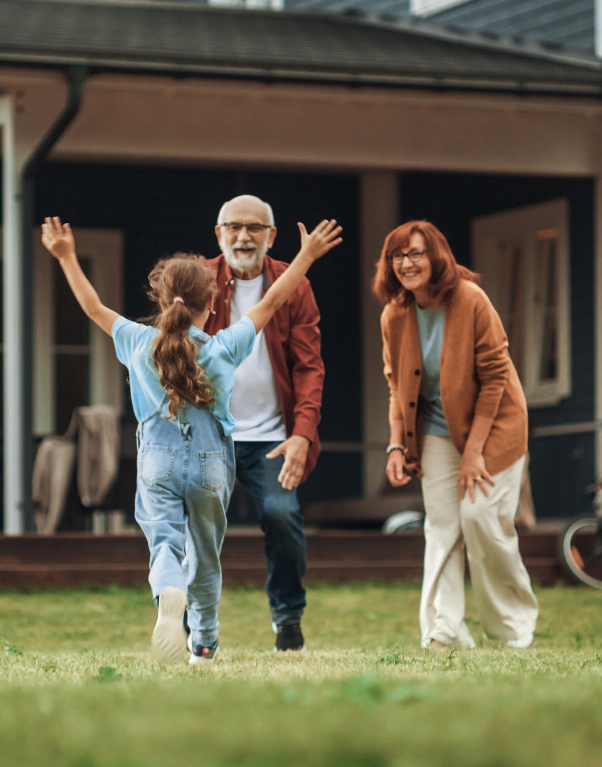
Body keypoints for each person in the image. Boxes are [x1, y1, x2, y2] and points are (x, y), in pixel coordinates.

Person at [41, 215, 342, 664]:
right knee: (205, 554)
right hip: (210, 464)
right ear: (214, 300)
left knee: (165, 541)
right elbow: (275, 299)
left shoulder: (137, 341)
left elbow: (92, 306)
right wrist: (307, 256)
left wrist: (66, 256)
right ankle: (203, 644)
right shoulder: (223, 347)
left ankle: (167, 590)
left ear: (161, 299)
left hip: (157, 461)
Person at [374, 220, 538, 650]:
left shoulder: (470, 299)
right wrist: (396, 443)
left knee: (482, 518)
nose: (407, 263)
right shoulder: (394, 314)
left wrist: (475, 453)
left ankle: (511, 626)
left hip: (497, 425)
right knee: (443, 525)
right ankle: (445, 628)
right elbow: (397, 384)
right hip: (436, 431)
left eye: (416, 253)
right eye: (398, 256)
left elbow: (496, 376)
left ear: (437, 256)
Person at [205, 194, 326, 652]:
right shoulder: (201, 279)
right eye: (233, 226)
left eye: (254, 227)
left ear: (272, 236)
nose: (243, 235)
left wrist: (301, 434)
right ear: (219, 234)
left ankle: (288, 617)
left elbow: (309, 367)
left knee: (281, 515)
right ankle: (193, 624)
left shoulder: (294, 286)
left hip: (272, 438)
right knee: (196, 528)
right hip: (209, 434)